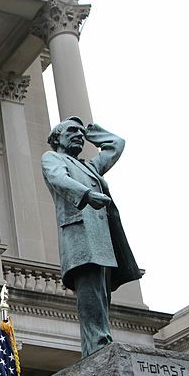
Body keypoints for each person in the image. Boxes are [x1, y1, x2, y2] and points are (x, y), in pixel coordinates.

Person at [40, 117, 144, 358]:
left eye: (79, 131)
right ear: (57, 138)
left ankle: (100, 346)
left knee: (102, 299)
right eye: (71, 131)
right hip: (80, 240)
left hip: (103, 242)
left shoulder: (89, 166)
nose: (77, 134)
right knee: (91, 301)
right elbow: (58, 179)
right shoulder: (52, 157)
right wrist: (87, 194)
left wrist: (90, 132)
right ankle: (98, 349)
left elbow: (116, 144)